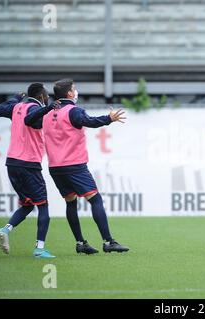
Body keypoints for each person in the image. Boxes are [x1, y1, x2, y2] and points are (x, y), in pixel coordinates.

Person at [41, 78, 129, 254]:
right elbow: (90, 121)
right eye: (75, 89)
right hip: (74, 165)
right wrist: (108, 119)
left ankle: (81, 243)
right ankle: (108, 241)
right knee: (95, 200)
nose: (76, 91)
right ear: (70, 94)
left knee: (71, 203)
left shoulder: (47, 114)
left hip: (55, 167)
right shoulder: (73, 111)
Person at [0, 83, 56, 258]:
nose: (48, 98)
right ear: (42, 96)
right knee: (43, 206)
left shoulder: (17, 107)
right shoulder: (36, 110)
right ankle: (39, 249)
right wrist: (48, 108)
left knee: (28, 204)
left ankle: (5, 230)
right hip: (29, 164)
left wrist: (15, 98)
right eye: (46, 95)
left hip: (12, 163)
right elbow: (30, 119)